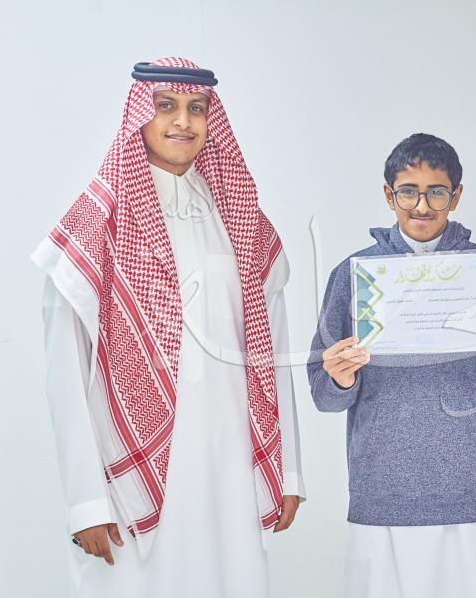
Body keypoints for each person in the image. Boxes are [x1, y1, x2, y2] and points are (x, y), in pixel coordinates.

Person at [32, 57, 304, 598]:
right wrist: (86, 501)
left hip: (230, 463)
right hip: (127, 478)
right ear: (140, 115)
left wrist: (289, 470)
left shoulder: (241, 218)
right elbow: (65, 372)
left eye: (196, 108)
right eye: (166, 106)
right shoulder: (96, 223)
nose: (183, 121)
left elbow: (275, 348)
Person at [308, 133, 476, 598]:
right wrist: (339, 378)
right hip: (383, 491)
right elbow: (323, 397)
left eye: (437, 192)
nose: (422, 206)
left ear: (457, 195)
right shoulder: (352, 275)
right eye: (408, 191)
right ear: (389, 195)